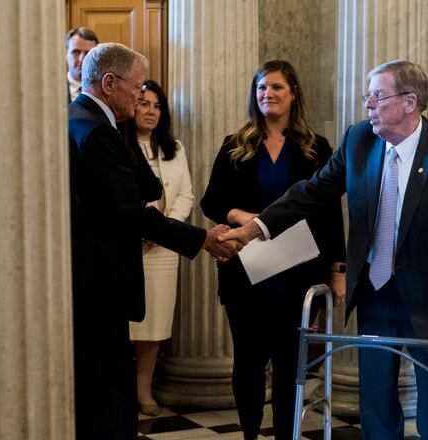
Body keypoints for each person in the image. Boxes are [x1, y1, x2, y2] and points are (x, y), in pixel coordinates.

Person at [220, 60, 428, 440]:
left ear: (410, 102)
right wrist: (254, 229)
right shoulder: (359, 140)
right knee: (376, 395)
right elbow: (311, 192)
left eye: (377, 96)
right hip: (375, 288)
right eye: (368, 96)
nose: (368, 105)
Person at [68, 42, 241, 440]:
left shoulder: (93, 122)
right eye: (137, 86)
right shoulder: (94, 131)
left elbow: (145, 186)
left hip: (94, 280)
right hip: (99, 279)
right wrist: (202, 239)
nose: (142, 96)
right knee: (109, 392)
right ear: (109, 82)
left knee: (107, 385)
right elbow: (131, 211)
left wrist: (122, 126)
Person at [200, 60, 346, 440]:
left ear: (293, 93)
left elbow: (331, 213)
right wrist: (245, 218)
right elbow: (211, 201)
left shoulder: (317, 148)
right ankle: (249, 434)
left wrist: (338, 269)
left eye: (277, 87)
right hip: (246, 271)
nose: (268, 94)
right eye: (262, 88)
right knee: (248, 362)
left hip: (299, 273)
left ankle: (286, 435)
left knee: (289, 365)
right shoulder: (236, 146)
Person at [121, 80, 194, 417]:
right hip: (127, 247)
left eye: (156, 106)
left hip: (163, 250)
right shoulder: (118, 144)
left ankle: (143, 390)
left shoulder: (174, 147)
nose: (150, 111)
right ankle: (120, 394)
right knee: (126, 324)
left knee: (154, 325)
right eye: (144, 103)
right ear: (132, 106)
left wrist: (166, 229)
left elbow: (186, 196)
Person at [66, 27, 99, 103]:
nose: (82, 59)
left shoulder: (106, 92)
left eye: (88, 53)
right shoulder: (53, 91)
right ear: (66, 54)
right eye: (76, 52)